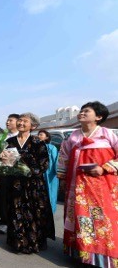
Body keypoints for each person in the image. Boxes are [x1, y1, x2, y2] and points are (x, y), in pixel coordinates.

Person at [58, 101, 118, 267]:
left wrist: (104, 168)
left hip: (101, 187)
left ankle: (101, 256)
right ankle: (82, 252)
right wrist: (62, 178)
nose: (82, 113)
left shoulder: (107, 134)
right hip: (75, 187)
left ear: (98, 117)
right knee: (78, 216)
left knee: (101, 219)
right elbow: (63, 157)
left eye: (87, 111)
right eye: (81, 111)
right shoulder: (73, 136)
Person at [0, 112, 55, 253]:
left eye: (25, 121)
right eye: (19, 121)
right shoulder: (10, 142)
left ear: (33, 126)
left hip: (34, 185)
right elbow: (6, 165)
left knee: (34, 212)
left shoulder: (38, 142)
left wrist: (28, 167)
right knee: (16, 211)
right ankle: (17, 243)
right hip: (15, 183)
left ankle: (35, 242)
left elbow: (44, 164)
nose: (21, 123)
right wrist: (3, 160)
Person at [0, 114, 20, 234]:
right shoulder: (3, 137)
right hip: (5, 171)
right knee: (4, 197)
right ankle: (4, 222)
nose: (7, 122)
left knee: (16, 197)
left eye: (10, 120)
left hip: (18, 172)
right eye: (7, 120)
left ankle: (15, 222)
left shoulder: (21, 136)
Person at [38, 129, 59, 215]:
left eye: (41, 134)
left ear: (47, 137)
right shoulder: (35, 147)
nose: (39, 136)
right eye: (38, 134)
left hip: (49, 173)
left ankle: (49, 211)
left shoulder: (52, 147)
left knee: (50, 192)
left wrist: (57, 172)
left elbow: (55, 161)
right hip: (38, 173)